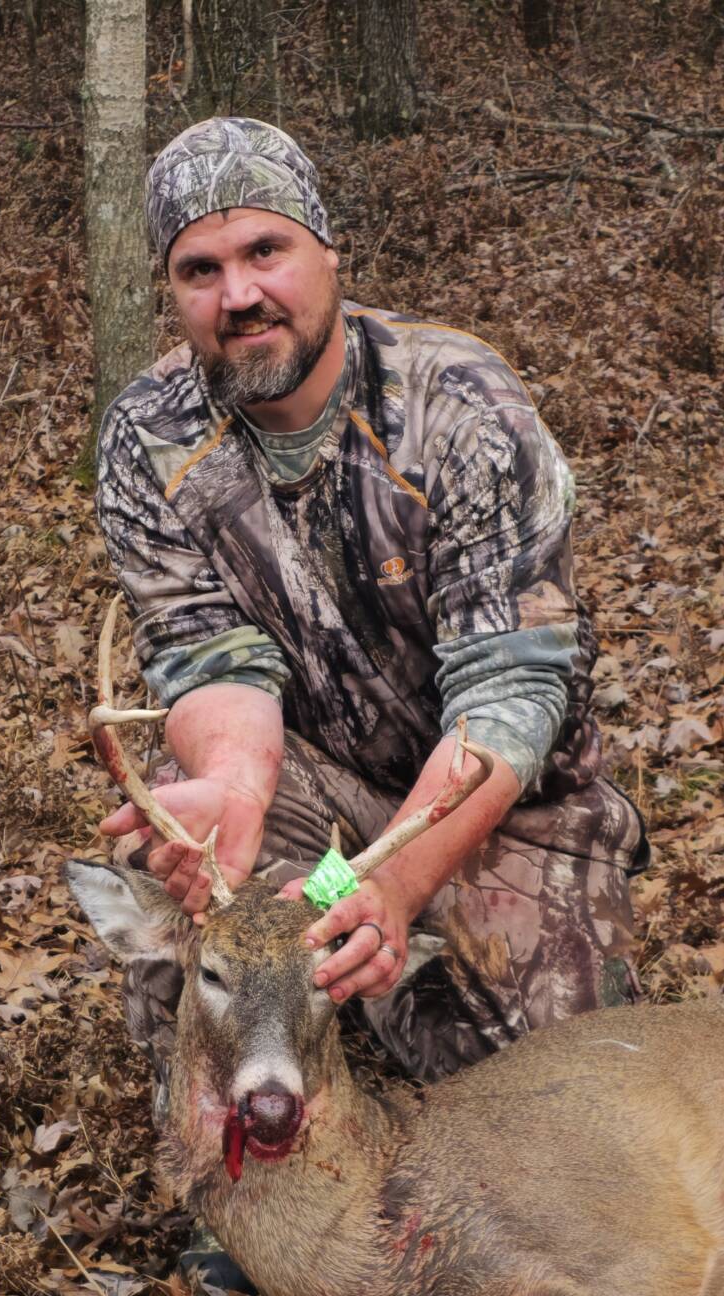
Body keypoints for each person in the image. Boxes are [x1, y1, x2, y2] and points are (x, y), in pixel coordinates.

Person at [95, 116, 649, 1093]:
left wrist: (394, 883)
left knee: (563, 1093)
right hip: (313, 795)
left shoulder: (458, 406)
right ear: (172, 291)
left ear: (328, 252)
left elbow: (511, 692)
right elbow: (209, 658)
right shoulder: (151, 435)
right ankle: (236, 1130)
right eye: (200, 270)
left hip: (504, 809)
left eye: (266, 250)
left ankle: (364, 965)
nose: (239, 294)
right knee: (177, 866)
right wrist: (237, 787)